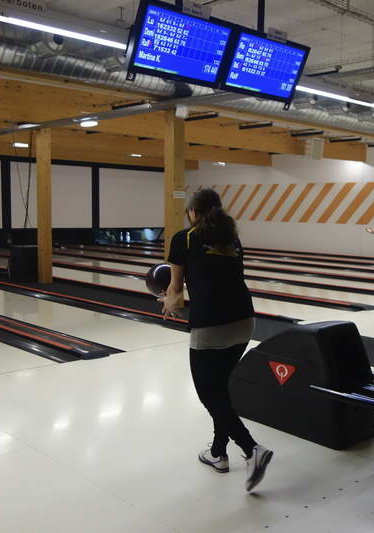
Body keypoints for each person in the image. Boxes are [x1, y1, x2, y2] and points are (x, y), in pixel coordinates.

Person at [162, 188, 273, 492]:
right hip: (245, 321)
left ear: (193, 212)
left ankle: (252, 449)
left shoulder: (184, 238)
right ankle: (218, 453)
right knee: (221, 389)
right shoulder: (232, 238)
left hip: (211, 323)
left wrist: (170, 302)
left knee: (209, 394)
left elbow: (175, 290)